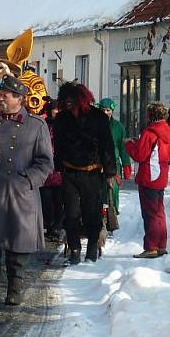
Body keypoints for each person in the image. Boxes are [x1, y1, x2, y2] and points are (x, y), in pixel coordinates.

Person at [0, 76, 53, 306]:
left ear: (19, 99)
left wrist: (28, 180)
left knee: (17, 242)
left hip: (20, 192)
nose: (0, 98)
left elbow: (45, 162)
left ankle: (16, 284)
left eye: (6, 95)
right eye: (0, 94)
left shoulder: (36, 125)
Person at [52, 82, 117, 265]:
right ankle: (74, 249)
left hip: (93, 172)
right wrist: (59, 167)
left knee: (92, 212)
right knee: (71, 213)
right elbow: (58, 145)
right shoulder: (62, 119)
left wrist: (110, 170)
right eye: (66, 100)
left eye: (72, 99)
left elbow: (107, 146)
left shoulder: (98, 118)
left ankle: (92, 248)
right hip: (70, 172)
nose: (68, 103)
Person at [126, 102, 170, 258]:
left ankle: (151, 246)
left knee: (150, 214)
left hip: (149, 176)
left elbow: (139, 155)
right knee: (159, 212)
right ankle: (161, 244)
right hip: (161, 175)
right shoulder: (168, 132)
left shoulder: (150, 133)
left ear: (150, 115)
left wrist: (129, 145)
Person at [97, 98, 132, 232]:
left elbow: (123, 147)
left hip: (113, 164)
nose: (105, 113)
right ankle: (98, 217)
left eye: (108, 110)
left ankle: (112, 216)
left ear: (112, 111)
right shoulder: (94, 124)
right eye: (103, 110)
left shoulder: (118, 127)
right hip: (97, 163)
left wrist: (126, 164)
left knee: (113, 191)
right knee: (97, 191)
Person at [40, 97, 64, 239]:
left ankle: (57, 226)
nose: (57, 112)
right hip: (45, 168)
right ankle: (49, 225)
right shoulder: (43, 125)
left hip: (60, 168)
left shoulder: (65, 125)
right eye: (56, 109)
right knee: (46, 200)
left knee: (59, 200)